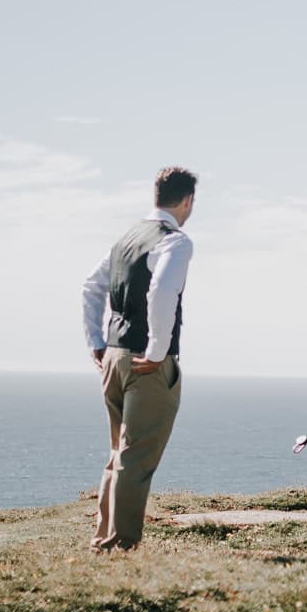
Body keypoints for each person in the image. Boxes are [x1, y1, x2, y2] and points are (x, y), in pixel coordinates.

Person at [79, 166, 197, 551]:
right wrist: (158, 349)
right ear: (187, 201)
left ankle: (103, 536)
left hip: (113, 357)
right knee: (138, 456)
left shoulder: (125, 239)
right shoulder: (174, 241)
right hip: (145, 362)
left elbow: (91, 287)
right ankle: (121, 543)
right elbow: (162, 290)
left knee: (119, 452)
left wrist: (96, 341)